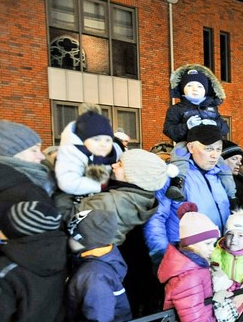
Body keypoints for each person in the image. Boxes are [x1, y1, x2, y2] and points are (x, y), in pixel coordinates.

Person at [145, 125, 231, 268]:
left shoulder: (218, 175)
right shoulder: (174, 176)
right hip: (184, 259)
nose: (215, 155)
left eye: (218, 149)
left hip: (215, 255)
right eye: (208, 149)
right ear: (191, 147)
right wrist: (162, 256)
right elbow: (156, 218)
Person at [73, 149, 179, 245]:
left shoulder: (110, 202)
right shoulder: (144, 198)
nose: (113, 165)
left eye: (120, 165)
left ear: (135, 176)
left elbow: (70, 219)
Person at [162, 64, 233, 202]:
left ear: (206, 90)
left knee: (222, 163)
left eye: (199, 86)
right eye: (190, 85)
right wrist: (186, 126)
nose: (195, 89)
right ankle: (178, 183)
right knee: (179, 153)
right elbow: (168, 129)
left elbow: (225, 128)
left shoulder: (212, 109)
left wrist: (215, 124)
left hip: (210, 143)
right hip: (187, 141)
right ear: (182, 88)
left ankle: (231, 192)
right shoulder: (176, 109)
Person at [0, 120, 57, 261]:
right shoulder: (26, 191)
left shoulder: (2, 183)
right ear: (7, 152)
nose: (41, 156)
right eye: (34, 150)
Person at [55, 104, 122, 197]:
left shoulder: (114, 152)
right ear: (83, 140)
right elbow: (67, 182)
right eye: (96, 139)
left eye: (107, 140)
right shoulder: (72, 152)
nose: (103, 144)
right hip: (77, 196)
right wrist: (100, 186)